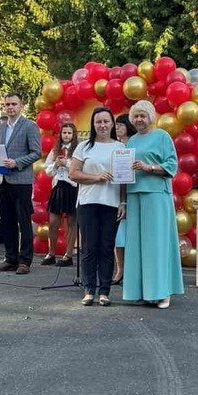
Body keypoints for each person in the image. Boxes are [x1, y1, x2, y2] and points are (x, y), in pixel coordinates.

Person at [122, 101, 184, 309]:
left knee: (157, 244)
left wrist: (149, 167)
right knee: (136, 245)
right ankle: (142, 291)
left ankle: (162, 292)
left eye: (143, 115)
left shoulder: (162, 136)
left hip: (156, 194)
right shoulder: (131, 140)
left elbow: (172, 164)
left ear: (150, 117)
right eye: (136, 116)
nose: (139, 119)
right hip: (134, 194)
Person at [69, 107, 125, 306]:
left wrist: (123, 202)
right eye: (98, 122)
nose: (102, 125)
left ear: (112, 124)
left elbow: (124, 179)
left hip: (111, 203)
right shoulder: (84, 147)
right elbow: (73, 174)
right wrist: (96, 177)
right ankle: (89, 290)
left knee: (106, 247)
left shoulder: (120, 147)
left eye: (106, 121)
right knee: (89, 247)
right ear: (93, 125)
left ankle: (104, 291)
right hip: (88, 203)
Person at [0, 93, 42, 275]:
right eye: (7, 104)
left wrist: (16, 162)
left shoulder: (29, 126)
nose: (10, 107)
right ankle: (10, 258)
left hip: (21, 180)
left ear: (21, 106)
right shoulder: (0, 128)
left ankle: (25, 260)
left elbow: (36, 152)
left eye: (13, 104)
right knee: (7, 220)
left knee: (23, 220)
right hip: (2, 179)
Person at [41, 123, 79, 267]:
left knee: (71, 222)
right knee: (53, 222)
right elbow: (47, 170)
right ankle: (51, 253)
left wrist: (67, 163)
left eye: (69, 133)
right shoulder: (55, 149)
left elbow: (81, 168)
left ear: (73, 135)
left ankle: (68, 255)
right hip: (58, 187)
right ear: (61, 134)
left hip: (72, 187)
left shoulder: (78, 150)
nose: (66, 135)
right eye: (64, 133)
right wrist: (56, 164)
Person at [112, 114, 136, 284]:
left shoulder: (134, 145)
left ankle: (132, 270)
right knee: (118, 237)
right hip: (115, 195)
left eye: (121, 124)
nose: (118, 127)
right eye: (116, 125)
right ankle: (120, 269)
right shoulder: (114, 146)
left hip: (133, 194)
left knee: (131, 235)